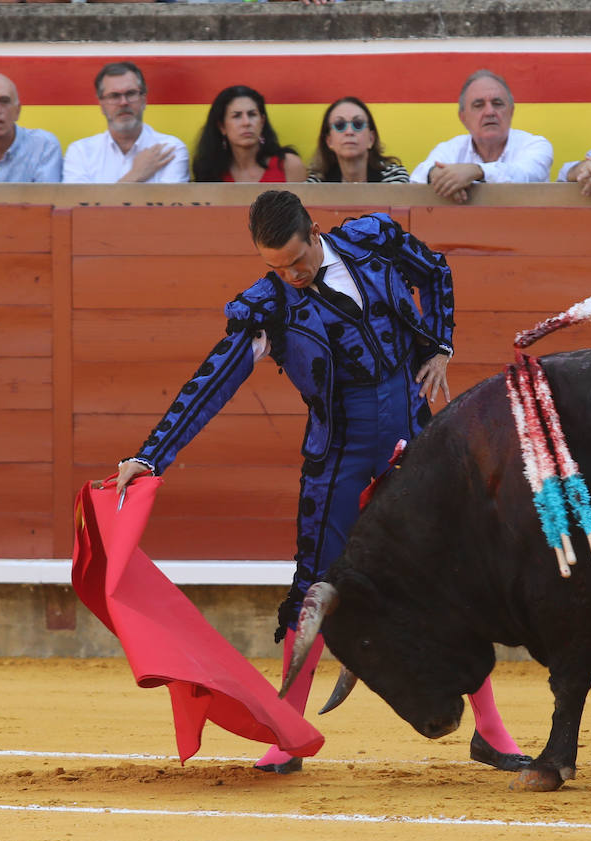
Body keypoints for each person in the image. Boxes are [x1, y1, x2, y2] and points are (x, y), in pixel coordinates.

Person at [110, 190, 527, 775]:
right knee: (312, 589)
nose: (290, 275)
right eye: (275, 267)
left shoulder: (371, 239)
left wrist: (438, 345)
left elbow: (434, 271)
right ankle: (287, 732)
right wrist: (151, 455)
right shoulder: (268, 306)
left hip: (414, 433)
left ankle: (490, 729)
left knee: (453, 570)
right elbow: (212, 382)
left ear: (313, 233)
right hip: (340, 455)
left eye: (296, 261)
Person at [410, 69, 552, 202]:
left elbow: (526, 176)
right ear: (463, 118)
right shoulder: (450, 149)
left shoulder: (536, 145)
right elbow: (418, 175)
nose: (490, 112)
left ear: (511, 111)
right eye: (479, 105)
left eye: (497, 104)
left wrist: (477, 171)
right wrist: (436, 176)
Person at [63, 61, 190, 184]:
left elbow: (169, 205)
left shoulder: (170, 149)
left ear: (144, 100)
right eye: (114, 96)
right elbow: (80, 205)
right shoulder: (81, 152)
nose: (123, 102)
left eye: (131, 93)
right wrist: (134, 175)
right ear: (101, 104)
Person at [190, 85, 306, 183]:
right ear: (222, 127)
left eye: (252, 114)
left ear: (262, 122)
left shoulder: (288, 165)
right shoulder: (209, 170)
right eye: (237, 116)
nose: (246, 123)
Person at [306, 97, 409, 184]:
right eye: (340, 125)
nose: (349, 132)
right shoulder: (316, 183)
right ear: (329, 141)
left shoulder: (394, 176)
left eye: (358, 124)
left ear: (371, 138)